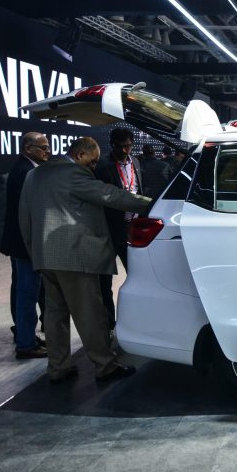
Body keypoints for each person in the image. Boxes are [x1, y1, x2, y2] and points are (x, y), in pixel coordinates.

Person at [18, 137, 152, 383]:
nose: (93, 168)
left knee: (54, 315)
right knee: (90, 313)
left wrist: (34, 251)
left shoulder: (35, 175)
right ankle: (105, 365)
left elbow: (24, 218)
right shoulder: (73, 174)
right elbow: (110, 195)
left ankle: (58, 368)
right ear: (80, 155)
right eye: (92, 162)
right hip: (74, 258)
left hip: (45, 257)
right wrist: (152, 204)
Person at [0, 132, 51, 359]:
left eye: (47, 147)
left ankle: (27, 338)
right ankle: (26, 344)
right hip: (26, 244)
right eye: (43, 147)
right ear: (28, 148)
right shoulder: (26, 172)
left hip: (24, 243)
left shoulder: (25, 169)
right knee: (27, 293)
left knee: (27, 292)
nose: (47, 151)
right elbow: (29, 212)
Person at [95, 128, 144, 329]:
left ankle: (136, 321)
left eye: (128, 146)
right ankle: (108, 323)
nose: (125, 150)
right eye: (121, 146)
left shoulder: (136, 162)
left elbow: (138, 189)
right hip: (109, 228)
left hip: (133, 228)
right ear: (112, 145)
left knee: (137, 275)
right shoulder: (102, 166)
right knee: (104, 280)